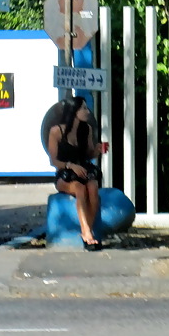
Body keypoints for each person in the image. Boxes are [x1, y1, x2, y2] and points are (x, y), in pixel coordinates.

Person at [46, 96, 106, 250]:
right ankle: (86, 233)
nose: (87, 112)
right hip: (65, 174)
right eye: (84, 108)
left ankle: (89, 232)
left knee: (92, 187)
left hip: (82, 170)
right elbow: (53, 161)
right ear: (74, 111)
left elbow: (88, 155)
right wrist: (70, 166)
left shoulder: (86, 129)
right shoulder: (56, 131)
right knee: (79, 189)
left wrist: (97, 150)